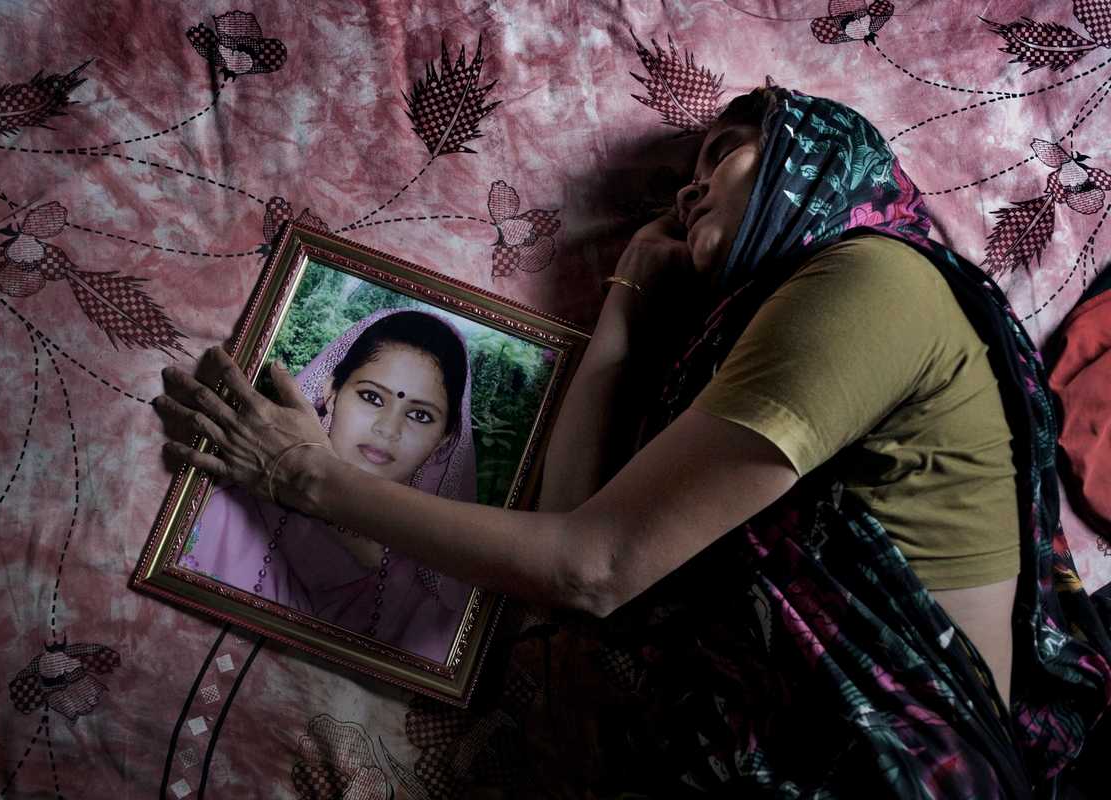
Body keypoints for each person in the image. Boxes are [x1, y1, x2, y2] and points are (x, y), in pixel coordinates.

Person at [154, 85, 1111, 796]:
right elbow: (575, 537)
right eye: (687, 178)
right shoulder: (751, 341)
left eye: (725, 156)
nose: (691, 190)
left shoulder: (873, 282)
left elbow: (590, 569)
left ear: (809, 165)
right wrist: (624, 303)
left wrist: (303, 476)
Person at [176, 309, 475, 663]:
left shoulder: (431, 614)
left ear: (445, 440)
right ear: (331, 392)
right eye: (372, 398)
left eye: (420, 415)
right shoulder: (221, 512)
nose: (387, 429)